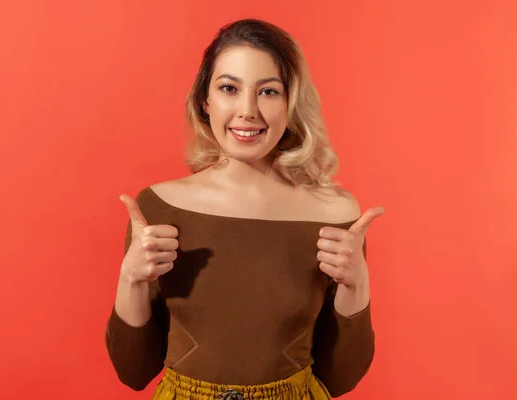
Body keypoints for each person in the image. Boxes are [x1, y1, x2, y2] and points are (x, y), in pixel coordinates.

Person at [105, 18, 384, 400]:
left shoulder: (334, 213)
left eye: (268, 92)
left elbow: (341, 379)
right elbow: (133, 372)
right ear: (206, 100)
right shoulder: (160, 207)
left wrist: (358, 286)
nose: (247, 110)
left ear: (290, 104)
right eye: (229, 88)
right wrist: (130, 279)